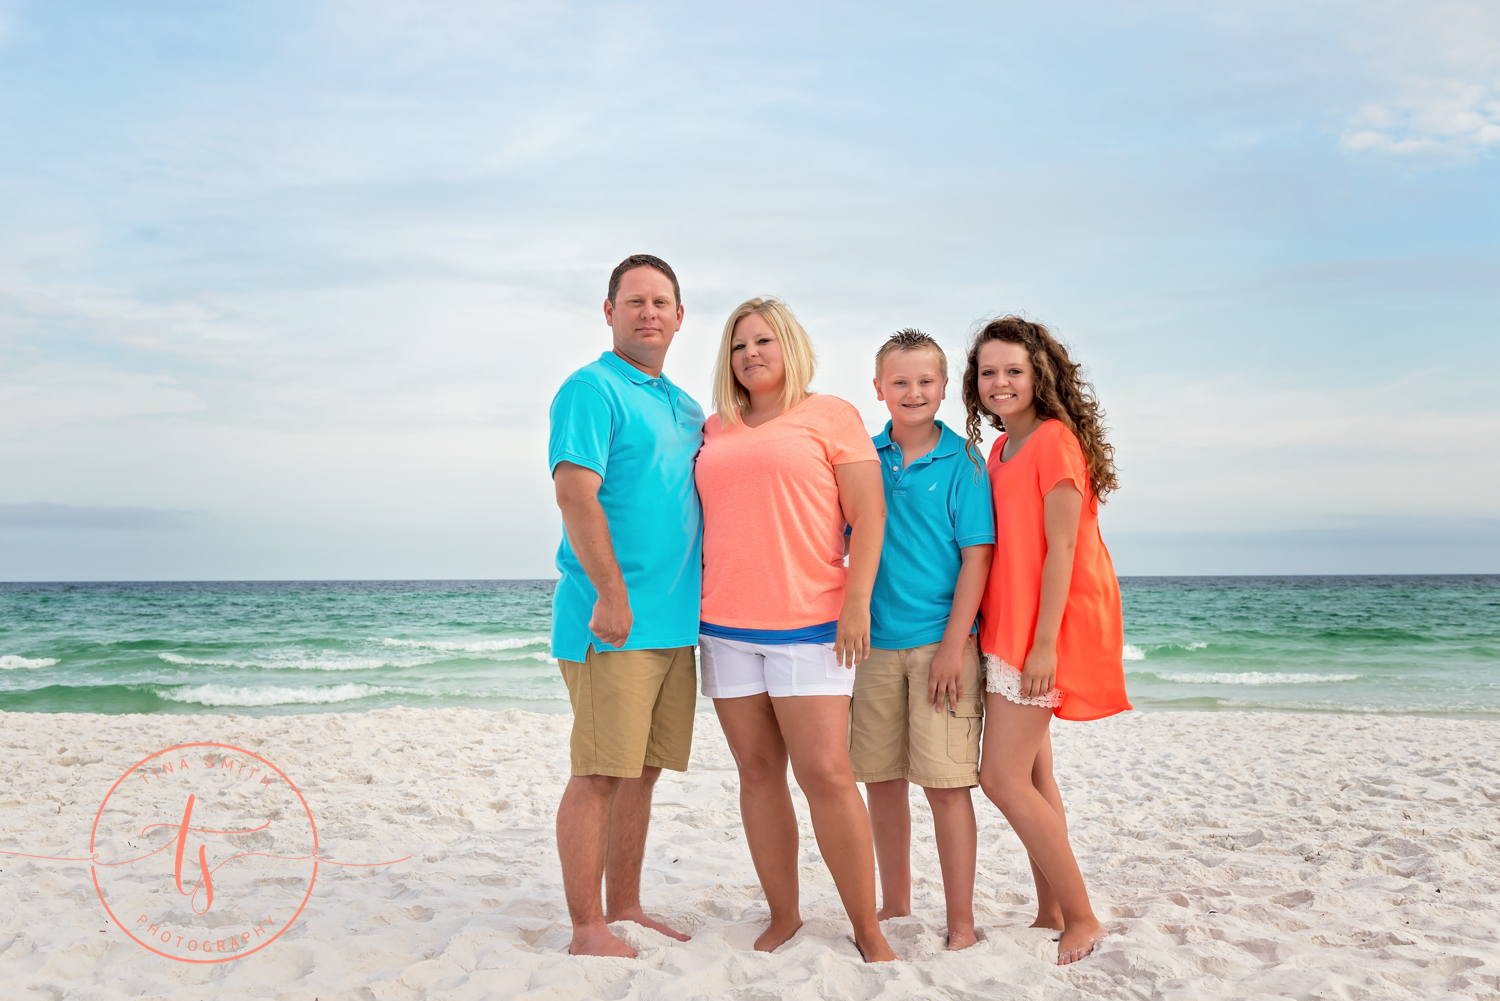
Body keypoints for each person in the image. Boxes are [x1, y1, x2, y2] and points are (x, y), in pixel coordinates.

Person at [693, 297, 896, 962]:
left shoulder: (831, 415)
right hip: (723, 626)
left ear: (790, 347)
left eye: (764, 341)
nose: (751, 353)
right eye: (739, 344)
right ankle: (784, 915)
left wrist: (857, 602)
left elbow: (868, 516)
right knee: (757, 773)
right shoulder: (714, 427)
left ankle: (866, 926)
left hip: (812, 624)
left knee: (829, 776)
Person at [962, 315, 1132, 965]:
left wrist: (1042, 646)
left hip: (1045, 627)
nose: (1000, 382)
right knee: (1035, 770)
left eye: (1013, 370)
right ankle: (1052, 905)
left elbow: (1064, 550)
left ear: (1039, 376)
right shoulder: (1003, 449)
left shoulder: (1056, 441)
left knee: (1000, 776)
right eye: (988, 372)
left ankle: (1082, 916)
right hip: (1007, 623)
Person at [548, 254, 704, 958]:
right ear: (609, 312)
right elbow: (576, 494)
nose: (649, 312)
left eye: (661, 301)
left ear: (679, 317)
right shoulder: (591, 389)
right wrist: (611, 591)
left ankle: (627, 904)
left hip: (674, 627)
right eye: (634, 300)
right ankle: (587, 926)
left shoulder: (687, 406)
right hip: (611, 619)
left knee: (641, 771)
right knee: (600, 771)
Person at [849, 329, 994, 951]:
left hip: (945, 646)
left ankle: (960, 920)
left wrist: (951, 647)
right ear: (878, 388)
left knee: (945, 784)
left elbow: (978, 559)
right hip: (873, 646)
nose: (913, 392)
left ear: (943, 389)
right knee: (881, 780)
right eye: (899, 382)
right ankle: (896, 902)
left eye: (925, 382)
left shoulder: (964, 463)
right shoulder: (861, 457)